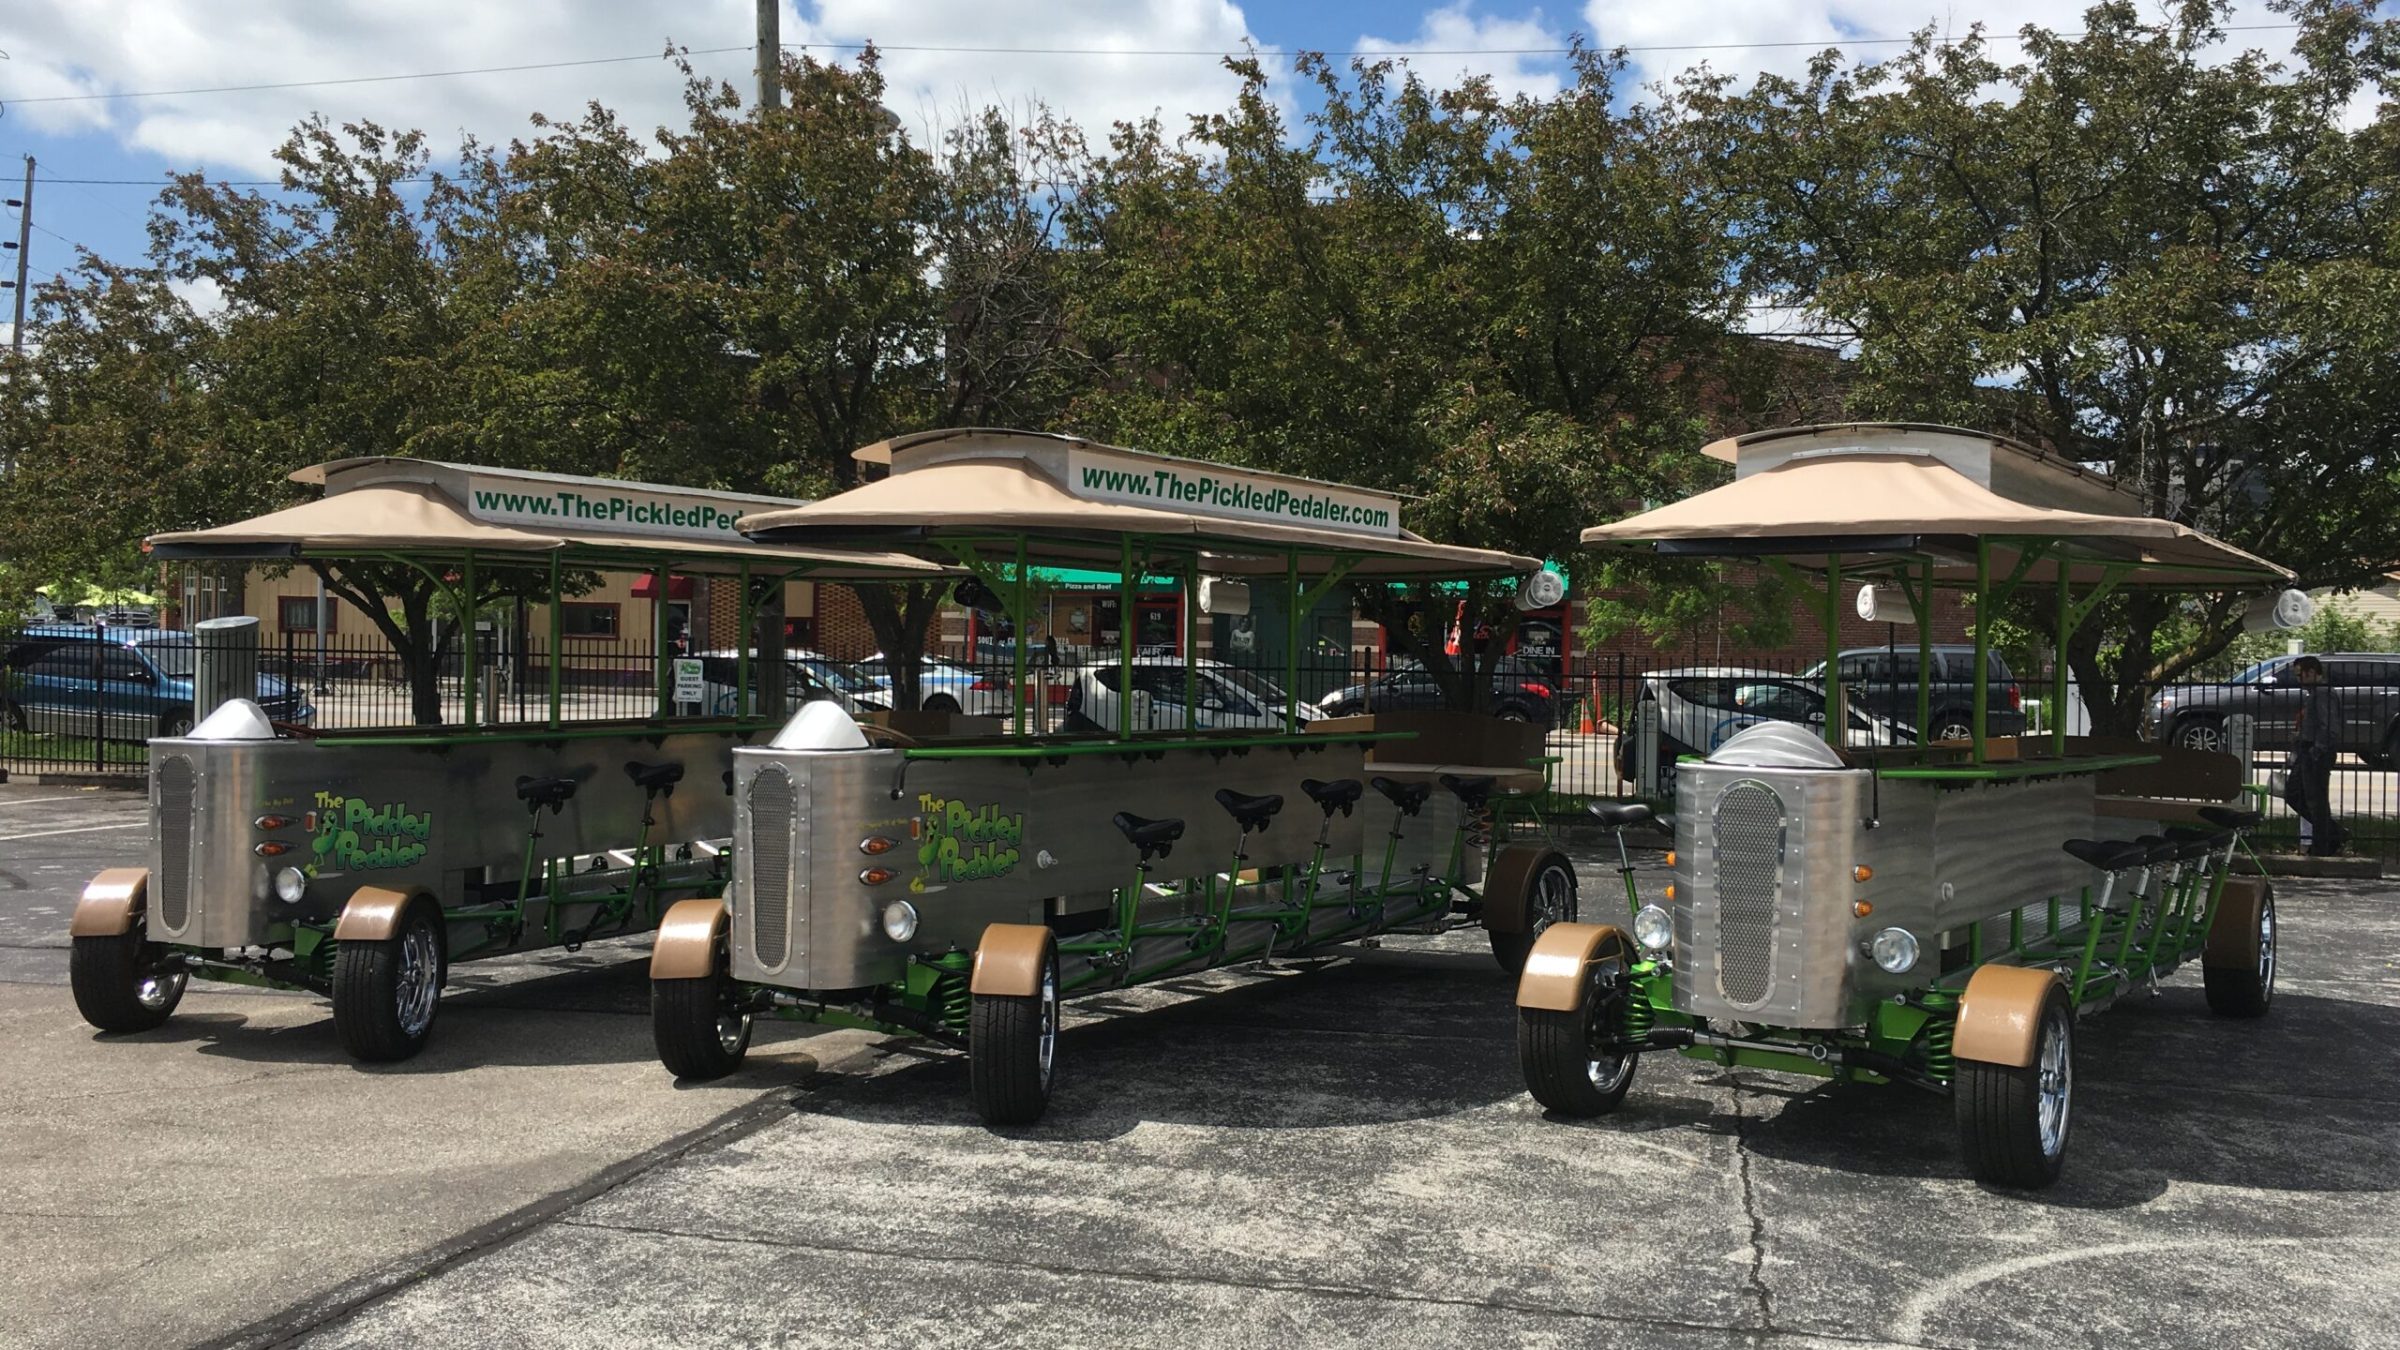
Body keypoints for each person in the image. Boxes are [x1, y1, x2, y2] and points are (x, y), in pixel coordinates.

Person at [2291, 656, 2346, 856]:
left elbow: (2328, 726)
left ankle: (2324, 844)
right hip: (2307, 749)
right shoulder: (2314, 693)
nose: (2299, 680)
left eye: (2301, 675)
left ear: (2312, 672)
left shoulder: (2323, 693)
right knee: (2296, 794)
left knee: (2316, 801)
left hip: (2316, 752)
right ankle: (2333, 834)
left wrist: (2317, 749)